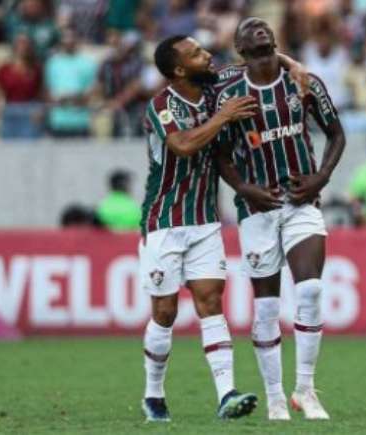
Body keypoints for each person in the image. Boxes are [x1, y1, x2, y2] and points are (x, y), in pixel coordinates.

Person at [215, 17, 346, 421]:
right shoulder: (228, 92)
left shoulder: (303, 82)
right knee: (267, 308)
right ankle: (274, 396)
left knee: (308, 291)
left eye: (264, 27)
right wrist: (245, 189)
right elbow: (219, 154)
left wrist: (320, 178)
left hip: (300, 202)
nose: (259, 28)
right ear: (240, 49)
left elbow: (336, 134)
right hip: (256, 209)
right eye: (250, 29)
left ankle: (305, 389)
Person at [138, 34, 260, 422]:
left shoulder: (214, 88)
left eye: (203, 50)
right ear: (178, 70)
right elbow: (184, 145)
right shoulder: (161, 106)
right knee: (166, 311)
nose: (207, 56)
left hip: (205, 220)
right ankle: (153, 394)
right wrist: (222, 117)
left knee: (211, 303)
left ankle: (227, 394)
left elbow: (259, 61)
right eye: (196, 54)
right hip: (164, 221)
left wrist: (297, 67)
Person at [45, 27, 97, 137]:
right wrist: (57, 99)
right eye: (65, 38)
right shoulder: (52, 63)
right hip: (58, 121)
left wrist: (74, 98)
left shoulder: (88, 63)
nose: (68, 41)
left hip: (81, 121)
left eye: (71, 38)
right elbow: (48, 91)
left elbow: (92, 92)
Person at [0, 33, 45, 139]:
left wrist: (40, 109)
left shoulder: (36, 68)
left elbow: (41, 92)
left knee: (30, 147)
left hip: (30, 111)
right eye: (20, 43)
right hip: (10, 110)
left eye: (25, 43)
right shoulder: (4, 69)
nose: (22, 46)